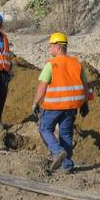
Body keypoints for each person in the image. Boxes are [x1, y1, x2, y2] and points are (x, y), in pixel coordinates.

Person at [31, 32, 90, 174]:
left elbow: (43, 86)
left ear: (57, 46)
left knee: (45, 129)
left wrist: (35, 103)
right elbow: (85, 85)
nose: (50, 48)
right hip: (70, 107)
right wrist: (85, 103)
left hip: (53, 106)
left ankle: (58, 151)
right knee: (66, 135)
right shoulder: (76, 63)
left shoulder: (51, 65)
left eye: (51, 46)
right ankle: (68, 166)